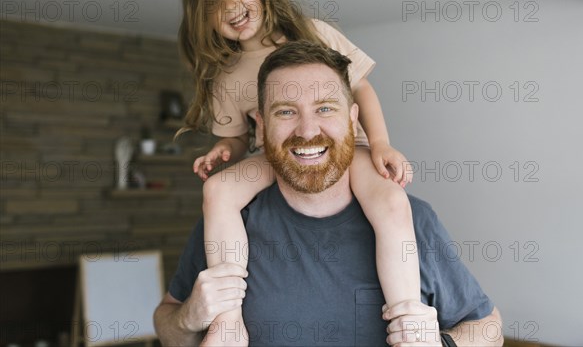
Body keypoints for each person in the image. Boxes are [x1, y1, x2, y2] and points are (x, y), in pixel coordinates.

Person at [154, 41, 503, 346]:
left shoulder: (413, 221)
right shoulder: (230, 219)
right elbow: (166, 323)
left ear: (353, 119)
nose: (307, 130)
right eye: (286, 112)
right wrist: (189, 317)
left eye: (324, 108)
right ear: (261, 125)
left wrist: (441, 345)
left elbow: (489, 328)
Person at [175, 0, 418, 345]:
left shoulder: (312, 31)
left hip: (346, 150)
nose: (231, 5)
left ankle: (408, 319)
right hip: (273, 157)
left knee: (392, 201)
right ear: (203, 20)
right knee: (217, 190)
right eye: (214, 2)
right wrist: (224, 151)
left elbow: (363, 92)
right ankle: (229, 319)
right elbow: (235, 137)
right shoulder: (226, 75)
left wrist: (380, 144)